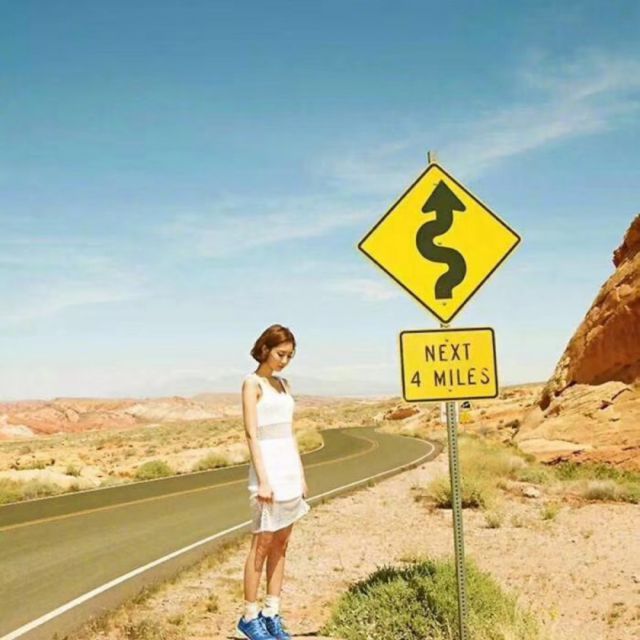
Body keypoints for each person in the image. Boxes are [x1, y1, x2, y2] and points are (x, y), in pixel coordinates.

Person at [236, 324, 310, 640]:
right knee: (261, 544)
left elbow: (289, 432)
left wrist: (301, 474)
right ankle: (249, 617)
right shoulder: (252, 384)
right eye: (281, 354)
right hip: (267, 472)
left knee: (282, 544)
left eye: (290, 355)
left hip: (289, 470)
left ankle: (271, 613)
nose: (285, 360)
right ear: (265, 349)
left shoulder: (283, 384)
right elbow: (252, 434)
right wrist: (263, 480)